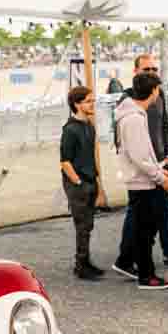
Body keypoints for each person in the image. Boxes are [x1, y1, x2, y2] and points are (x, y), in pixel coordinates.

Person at [114, 53, 168, 276]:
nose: (152, 73)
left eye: (154, 69)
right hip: (144, 169)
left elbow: (164, 126)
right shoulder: (127, 102)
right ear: (136, 73)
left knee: (162, 210)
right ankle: (130, 260)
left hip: (160, 163)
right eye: (147, 70)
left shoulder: (159, 95)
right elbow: (126, 141)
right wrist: (148, 166)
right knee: (139, 216)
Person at [60, 86, 104, 280]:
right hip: (78, 184)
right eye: (88, 101)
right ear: (77, 104)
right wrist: (78, 182)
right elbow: (65, 161)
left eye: (92, 100)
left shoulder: (89, 126)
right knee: (82, 225)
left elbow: (91, 156)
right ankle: (81, 265)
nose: (92, 104)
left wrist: (97, 182)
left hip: (90, 180)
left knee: (89, 225)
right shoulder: (70, 130)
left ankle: (85, 261)